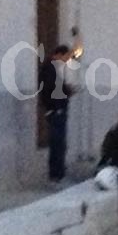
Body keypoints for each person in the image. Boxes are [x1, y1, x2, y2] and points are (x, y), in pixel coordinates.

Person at [39, 45, 74, 184]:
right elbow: (52, 89)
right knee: (57, 143)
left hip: (57, 109)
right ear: (59, 54)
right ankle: (56, 175)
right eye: (66, 57)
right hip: (56, 110)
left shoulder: (53, 68)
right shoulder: (49, 69)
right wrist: (65, 93)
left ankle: (59, 173)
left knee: (59, 143)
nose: (66, 61)